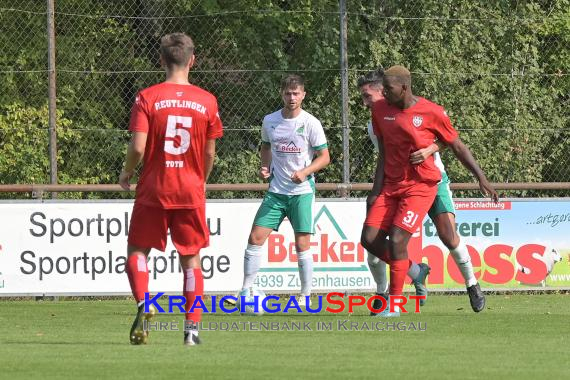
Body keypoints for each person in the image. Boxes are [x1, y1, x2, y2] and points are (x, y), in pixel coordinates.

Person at [360, 65, 498, 317]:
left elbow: (451, 139)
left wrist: (433, 150)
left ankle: (472, 284)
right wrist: (376, 191)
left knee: (447, 235)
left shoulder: (429, 111)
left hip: (431, 180)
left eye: (368, 96)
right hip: (396, 184)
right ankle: (408, 275)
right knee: (373, 240)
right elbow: (387, 153)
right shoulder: (378, 116)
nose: (364, 102)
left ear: (389, 89)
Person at [119, 33, 223, 346]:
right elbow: (209, 153)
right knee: (190, 260)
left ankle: (143, 304)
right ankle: (191, 332)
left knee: (138, 252)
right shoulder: (207, 100)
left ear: (162, 60)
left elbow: (138, 146)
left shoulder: (147, 97)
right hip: (190, 190)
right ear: (192, 60)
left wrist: (127, 172)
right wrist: (200, 179)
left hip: (153, 187)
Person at [239, 74, 330, 307]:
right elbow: (266, 146)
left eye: (296, 93)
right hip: (276, 192)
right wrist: (264, 166)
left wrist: (305, 171)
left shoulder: (311, 123)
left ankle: (305, 295)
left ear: (303, 95)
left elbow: (324, 157)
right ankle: (245, 291)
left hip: (301, 193)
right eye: (288, 93)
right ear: (282, 94)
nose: (292, 97)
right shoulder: (270, 120)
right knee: (255, 238)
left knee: (301, 245)